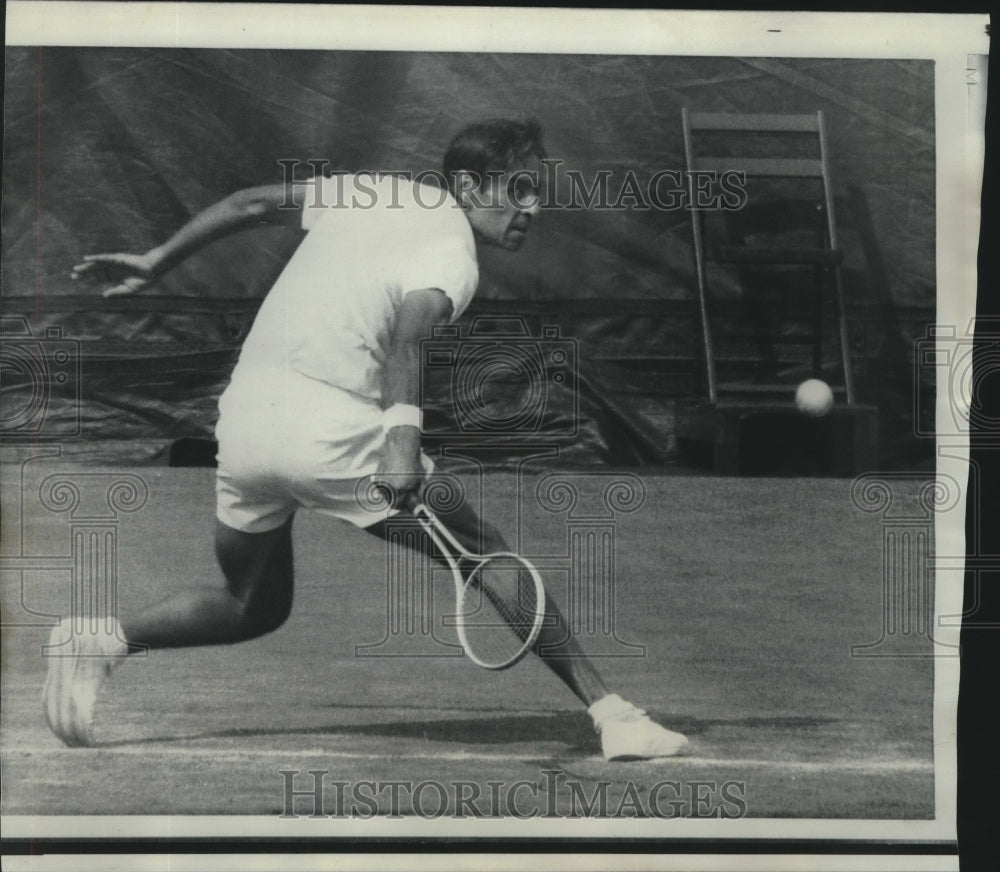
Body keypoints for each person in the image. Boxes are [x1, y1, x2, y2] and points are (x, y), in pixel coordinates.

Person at [46, 119, 689, 761]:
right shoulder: (453, 254)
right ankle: (614, 715)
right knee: (485, 553)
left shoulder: (370, 188)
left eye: (538, 192)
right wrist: (401, 443)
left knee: (251, 603)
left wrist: (158, 260)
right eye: (519, 190)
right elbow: (409, 340)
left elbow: (250, 203)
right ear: (468, 185)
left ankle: (99, 639)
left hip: (243, 420)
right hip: (331, 431)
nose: (533, 208)